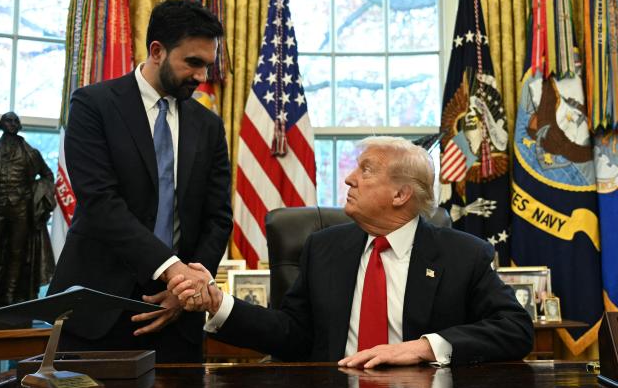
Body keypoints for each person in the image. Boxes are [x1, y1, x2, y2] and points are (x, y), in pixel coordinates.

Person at [171, 136, 534, 367]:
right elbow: (292, 334)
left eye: (366, 170)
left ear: (400, 195)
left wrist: (424, 348)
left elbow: (516, 329)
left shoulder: (463, 254)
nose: (349, 179)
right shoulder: (325, 247)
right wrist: (218, 302)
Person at [48, 0, 232, 363]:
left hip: (178, 317)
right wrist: (173, 269)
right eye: (192, 63)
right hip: (98, 310)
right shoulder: (93, 105)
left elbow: (219, 217)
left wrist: (189, 285)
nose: (200, 76)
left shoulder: (208, 124)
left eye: (206, 66)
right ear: (157, 51)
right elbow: (101, 204)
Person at [0, 112, 55, 310]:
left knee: (17, 254)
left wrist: (36, 196)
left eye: (16, 121)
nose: (13, 124)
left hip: (21, 210)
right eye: (8, 120)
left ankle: (9, 299)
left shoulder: (31, 153)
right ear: (1, 124)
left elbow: (47, 176)